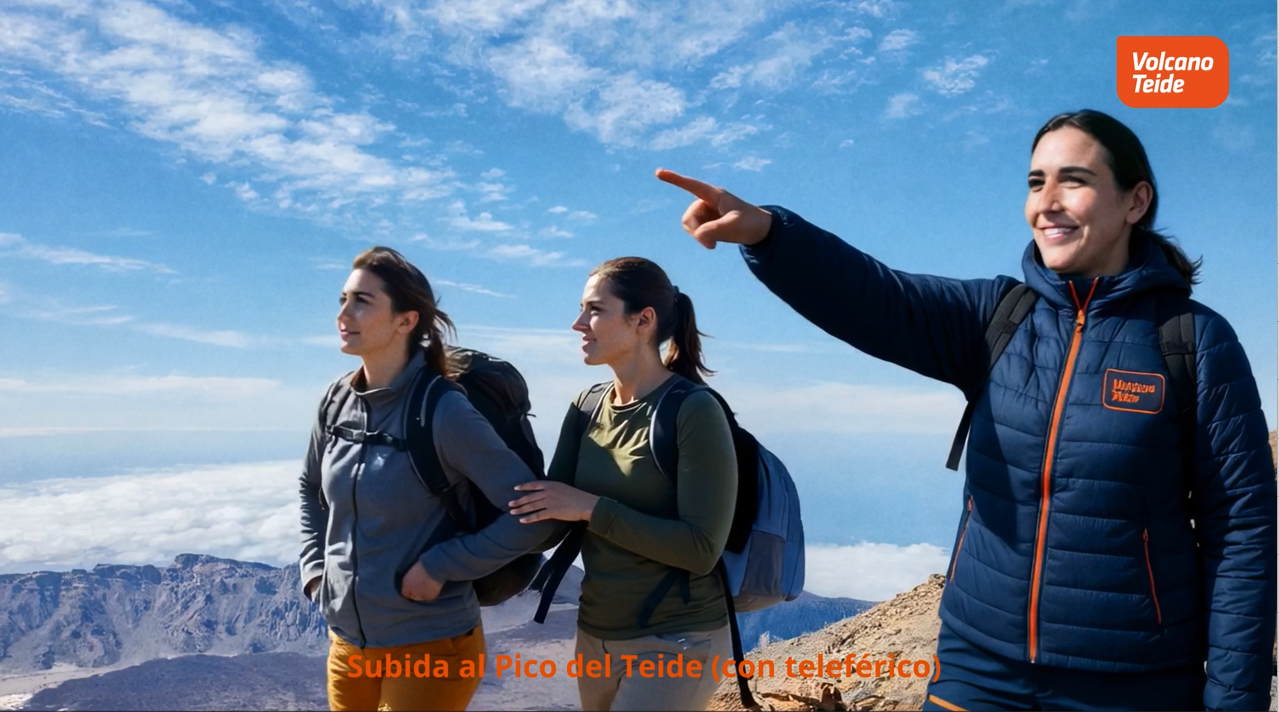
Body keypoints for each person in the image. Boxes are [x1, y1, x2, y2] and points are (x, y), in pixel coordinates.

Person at [656, 109, 1276, 711]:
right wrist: (770, 233)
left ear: (1135, 202)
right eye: (1036, 182)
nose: (1047, 201)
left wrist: (1232, 699)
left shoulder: (1193, 342)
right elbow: (874, 296)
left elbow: (1243, 530)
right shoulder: (998, 319)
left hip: (1131, 681)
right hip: (979, 668)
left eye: (1075, 180)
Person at [298, 246, 557, 712]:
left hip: (431, 647)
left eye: (362, 301)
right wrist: (317, 572)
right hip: (349, 646)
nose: (342, 313)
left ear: (405, 321)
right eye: (342, 298)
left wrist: (442, 565)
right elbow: (310, 490)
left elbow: (535, 514)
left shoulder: (443, 410)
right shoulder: (335, 400)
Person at [507, 257, 738, 711]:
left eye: (594, 310)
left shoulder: (693, 410)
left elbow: (701, 548)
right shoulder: (586, 406)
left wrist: (592, 509)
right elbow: (553, 511)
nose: (578, 324)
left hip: (677, 639)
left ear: (643, 320)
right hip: (595, 635)